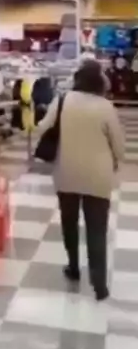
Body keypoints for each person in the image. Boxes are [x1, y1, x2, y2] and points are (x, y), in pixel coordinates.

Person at [36, 58, 125, 301]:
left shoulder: (62, 100)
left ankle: (73, 267)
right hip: (98, 176)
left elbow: (42, 127)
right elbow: (119, 149)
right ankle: (99, 285)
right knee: (97, 230)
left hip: (66, 172)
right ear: (100, 81)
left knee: (69, 223)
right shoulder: (106, 107)